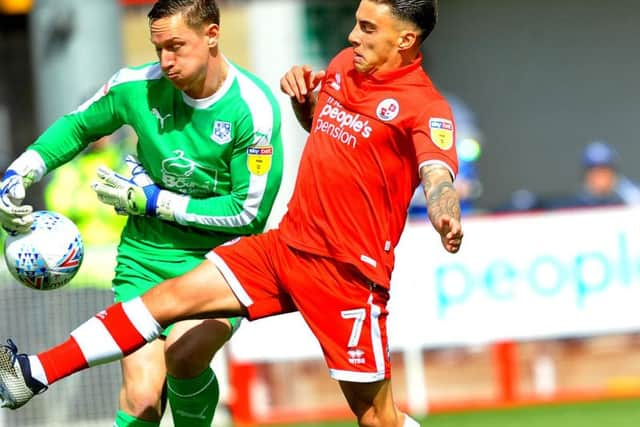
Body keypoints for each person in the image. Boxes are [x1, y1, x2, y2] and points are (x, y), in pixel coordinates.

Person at [0, 0, 462, 426]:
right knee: (160, 310)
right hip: (284, 247)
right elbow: (334, 133)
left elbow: (436, 169)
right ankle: (32, 372)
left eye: (366, 28)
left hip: (344, 273)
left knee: (377, 418)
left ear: (405, 39)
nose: (351, 37)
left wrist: (446, 211)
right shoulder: (344, 68)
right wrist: (308, 106)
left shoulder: (426, 107)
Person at [0, 1, 284, 426]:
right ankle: (31, 375)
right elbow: (79, 125)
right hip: (145, 257)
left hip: (220, 263)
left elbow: (247, 214)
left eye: (176, 46)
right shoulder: (135, 87)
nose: (166, 61)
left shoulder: (253, 110)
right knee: (142, 398)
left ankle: (34, 372)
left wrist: (157, 201)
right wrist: (21, 170)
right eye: (157, 49)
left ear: (211, 34)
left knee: (184, 357)